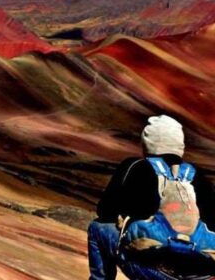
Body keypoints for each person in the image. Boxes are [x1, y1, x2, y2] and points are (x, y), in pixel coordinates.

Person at [88, 115, 215, 279]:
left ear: (148, 142)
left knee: (97, 228)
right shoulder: (198, 176)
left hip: (155, 270)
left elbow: (105, 210)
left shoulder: (136, 166)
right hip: (200, 274)